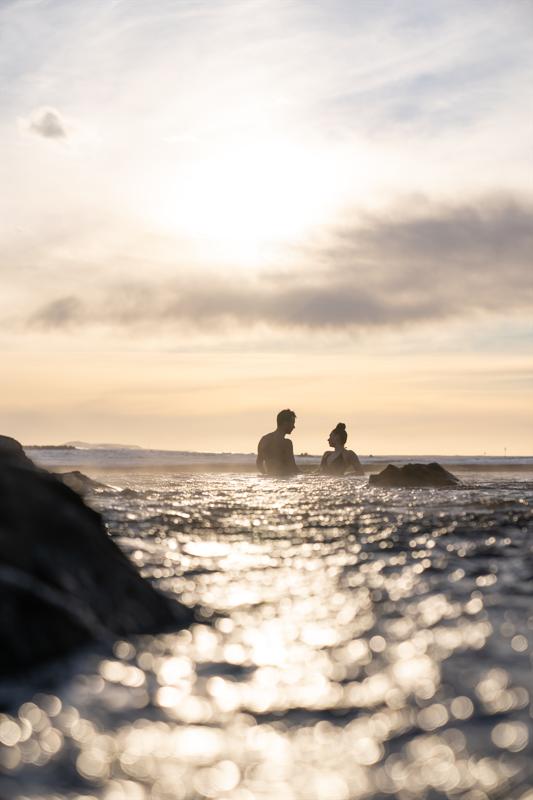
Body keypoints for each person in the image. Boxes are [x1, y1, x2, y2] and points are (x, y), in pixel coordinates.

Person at [257, 409, 299, 476]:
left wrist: (267, 476)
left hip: (270, 479)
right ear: (285, 423)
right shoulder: (287, 443)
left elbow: (259, 464)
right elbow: (292, 467)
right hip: (285, 479)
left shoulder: (264, 439)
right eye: (292, 423)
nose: (294, 426)